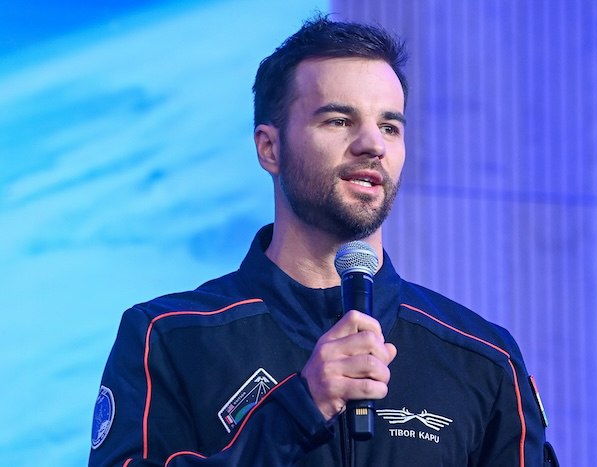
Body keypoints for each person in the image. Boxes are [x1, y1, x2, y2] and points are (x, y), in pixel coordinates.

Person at [89, 15, 558, 467]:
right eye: (339, 121)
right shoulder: (170, 337)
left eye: (390, 127)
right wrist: (300, 407)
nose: (372, 144)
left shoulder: (482, 357)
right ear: (270, 148)